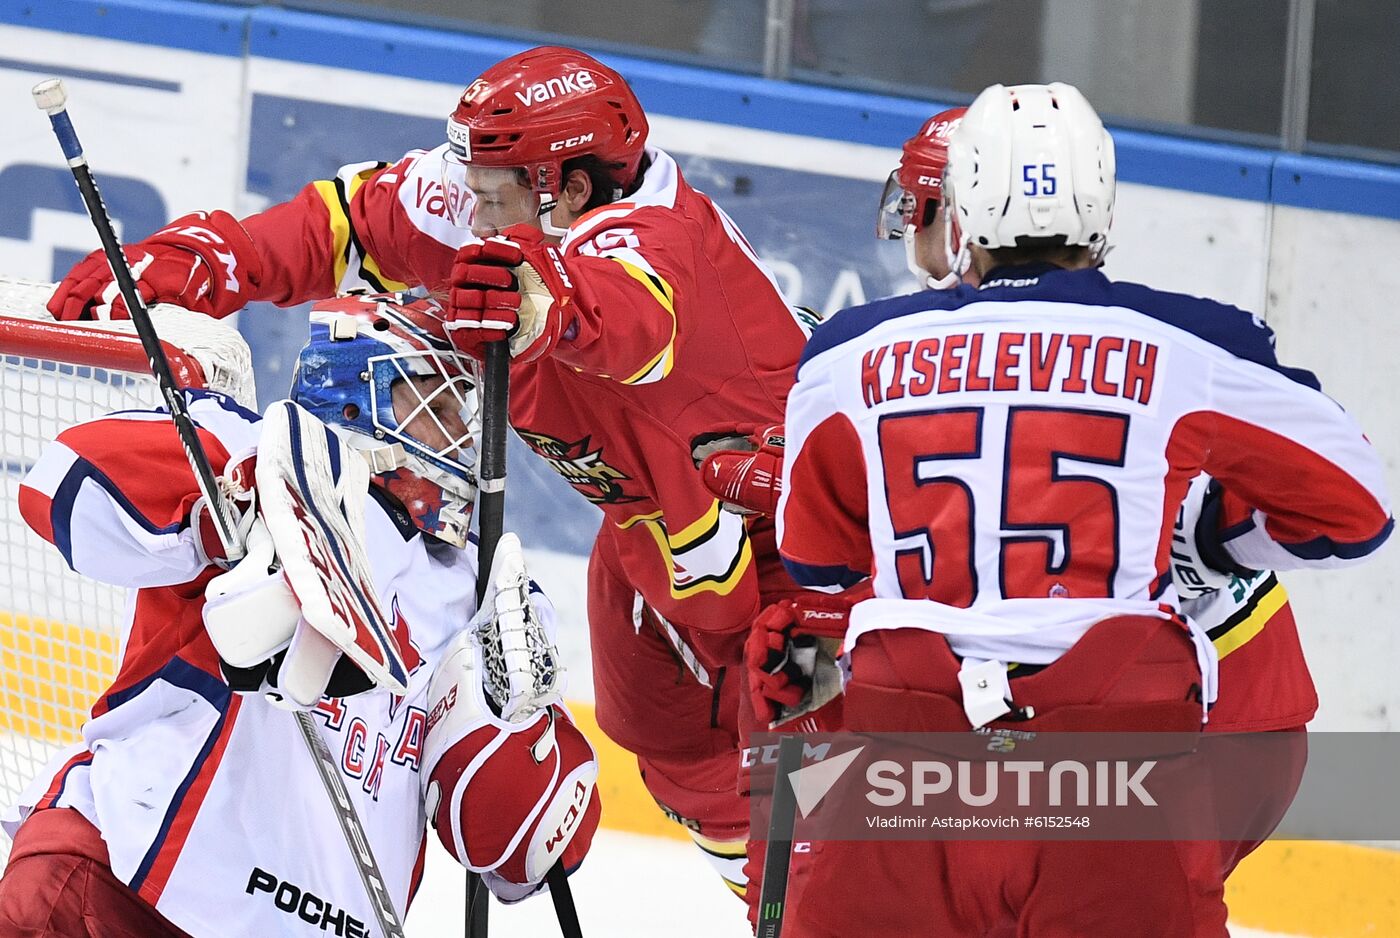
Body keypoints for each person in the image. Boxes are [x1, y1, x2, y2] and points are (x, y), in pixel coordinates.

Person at [43, 45, 813, 899]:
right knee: (679, 761)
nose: (469, 214)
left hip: (794, 543)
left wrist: (544, 293)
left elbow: (630, 310)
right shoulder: (512, 194)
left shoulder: (661, 247)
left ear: (570, 192)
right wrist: (220, 257)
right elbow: (352, 225)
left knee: (830, 803)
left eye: (493, 198)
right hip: (651, 524)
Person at [761, 83, 1393, 936]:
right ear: (1100, 212)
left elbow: (817, 557)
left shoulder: (846, 354)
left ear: (963, 216)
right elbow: (1358, 512)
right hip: (1116, 778)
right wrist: (1217, 540)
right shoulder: (1195, 344)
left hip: (904, 773)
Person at [0, 294, 599, 937]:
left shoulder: (482, 592)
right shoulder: (251, 451)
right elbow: (60, 486)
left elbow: (522, 860)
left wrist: (524, 751)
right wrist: (235, 510)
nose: (460, 436)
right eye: (439, 405)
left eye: (467, 416)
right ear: (354, 389)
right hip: (119, 895)